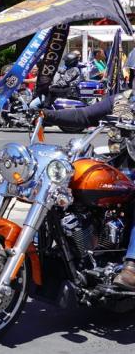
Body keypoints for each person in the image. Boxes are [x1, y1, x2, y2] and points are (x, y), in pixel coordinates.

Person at [41, 92, 135, 289]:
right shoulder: (123, 99)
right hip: (119, 166)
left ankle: (132, 266)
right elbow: (84, 115)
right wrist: (47, 115)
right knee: (65, 186)